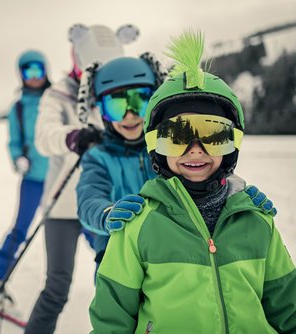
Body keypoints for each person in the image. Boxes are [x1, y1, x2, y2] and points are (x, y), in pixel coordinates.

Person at [89, 30, 296, 333]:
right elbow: (111, 320)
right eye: (177, 136)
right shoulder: (138, 226)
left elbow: (288, 309)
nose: (195, 149)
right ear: (155, 145)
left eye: (214, 135)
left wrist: (247, 204)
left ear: (233, 143)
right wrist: (106, 214)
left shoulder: (257, 221)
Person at [24, 23, 139, 334]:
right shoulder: (58, 94)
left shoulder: (113, 91)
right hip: (63, 207)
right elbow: (44, 138)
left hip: (102, 202)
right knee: (57, 287)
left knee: (115, 278)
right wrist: (74, 137)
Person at [76, 54, 165, 268]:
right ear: (102, 112)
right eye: (116, 105)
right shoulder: (98, 158)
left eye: (139, 102)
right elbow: (89, 199)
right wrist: (107, 214)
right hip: (118, 255)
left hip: (171, 252)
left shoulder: (169, 148)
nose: (129, 115)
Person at [0, 50, 51, 307]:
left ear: (45, 72)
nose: (34, 77)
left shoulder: (55, 100)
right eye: (28, 72)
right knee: (20, 229)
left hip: (59, 178)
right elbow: (14, 142)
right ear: (21, 75)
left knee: (86, 227)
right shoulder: (18, 108)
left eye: (38, 71)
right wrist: (18, 157)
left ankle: (116, 283)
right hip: (33, 179)